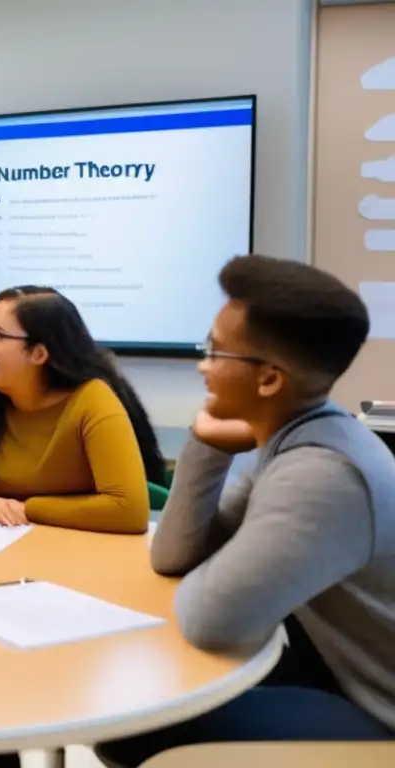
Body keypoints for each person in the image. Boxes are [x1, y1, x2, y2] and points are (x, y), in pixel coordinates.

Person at [94, 255, 395, 767]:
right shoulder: (295, 436)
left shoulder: (321, 477)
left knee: (134, 729)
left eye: (214, 351)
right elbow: (175, 554)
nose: (202, 365)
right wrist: (207, 442)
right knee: (129, 709)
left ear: (270, 380)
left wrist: (223, 573)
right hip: (323, 662)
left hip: (372, 702)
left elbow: (213, 619)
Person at [0, 285, 163, 534]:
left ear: (39, 354)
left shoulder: (91, 399)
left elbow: (128, 509)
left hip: (75, 552)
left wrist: (28, 509)